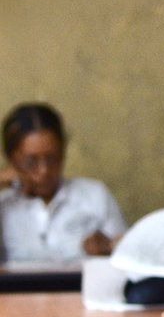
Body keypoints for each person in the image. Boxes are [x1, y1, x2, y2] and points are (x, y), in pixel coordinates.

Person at [0, 103, 126, 261]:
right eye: (31, 162)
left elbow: (131, 261)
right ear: (11, 159)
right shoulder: (4, 204)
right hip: (18, 287)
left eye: (52, 158)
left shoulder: (93, 195)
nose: (44, 170)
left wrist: (110, 248)